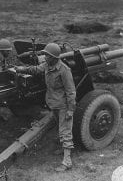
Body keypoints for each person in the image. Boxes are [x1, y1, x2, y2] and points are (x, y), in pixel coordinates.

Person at [15, 43, 76, 172]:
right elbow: (36, 69)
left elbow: (71, 92)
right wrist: (21, 69)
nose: (45, 57)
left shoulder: (64, 70)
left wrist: (70, 110)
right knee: (60, 128)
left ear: (54, 57)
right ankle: (63, 149)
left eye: (47, 55)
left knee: (65, 131)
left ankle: (67, 161)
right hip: (53, 104)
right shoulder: (48, 65)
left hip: (63, 105)